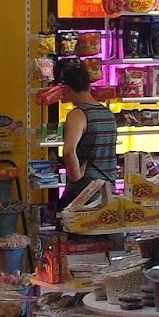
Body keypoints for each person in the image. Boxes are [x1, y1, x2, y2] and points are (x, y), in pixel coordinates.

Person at [57, 60, 118, 208]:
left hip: (84, 193)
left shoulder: (78, 114)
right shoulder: (108, 114)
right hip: (108, 188)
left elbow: (68, 151)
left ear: (68, 89)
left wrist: (75, 176)